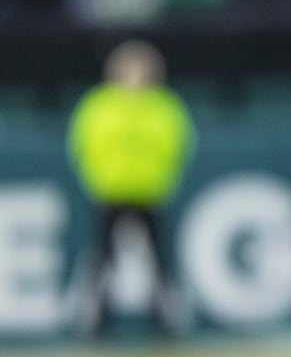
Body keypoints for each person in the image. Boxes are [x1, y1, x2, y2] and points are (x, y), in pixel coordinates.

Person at [67, 39, 197, 338]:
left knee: (158, 257)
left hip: (150, 192)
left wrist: (165, 178)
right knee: (102, 258)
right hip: (110, 192)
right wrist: (97, 179)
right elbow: (82, 145)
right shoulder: (99, 104)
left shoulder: (163, 105)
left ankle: (166, 320)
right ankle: (96, 322)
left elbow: (178, 145)